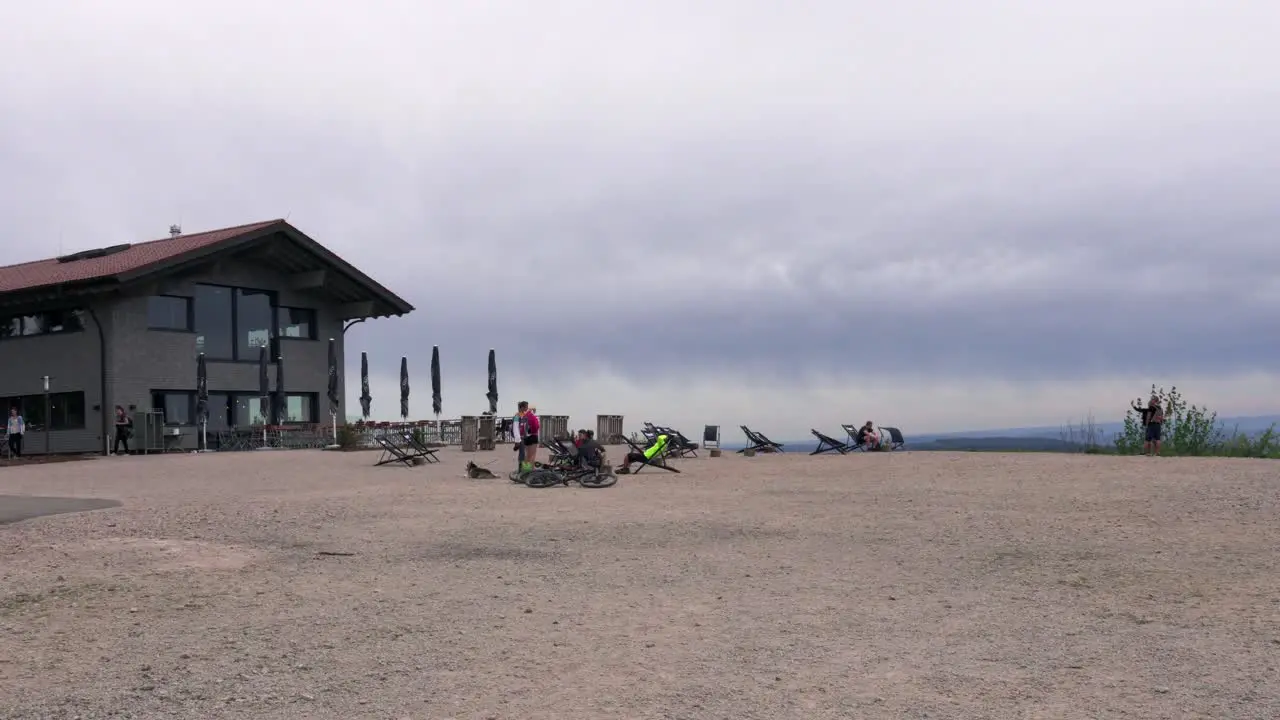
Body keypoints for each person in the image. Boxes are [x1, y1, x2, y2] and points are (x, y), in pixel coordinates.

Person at [514, 401, 540, 474]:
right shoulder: (532, 416)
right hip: (533, 436)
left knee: (526, 456)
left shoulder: (521, 415)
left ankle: (525, 471)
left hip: (526, 437)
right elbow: (536, 426)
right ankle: (529, 472)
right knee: (532, 456)